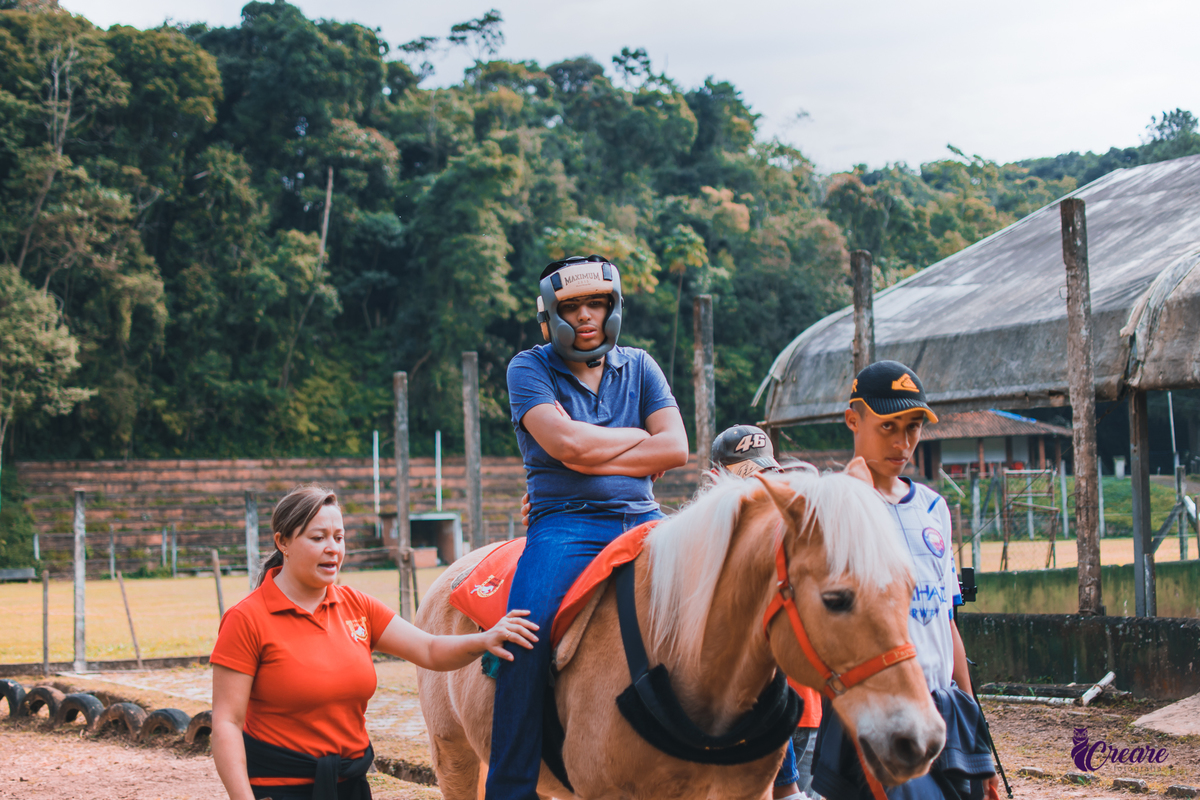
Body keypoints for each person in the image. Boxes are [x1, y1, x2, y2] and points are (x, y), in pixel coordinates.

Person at [488, 254, 689, 800]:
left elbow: (677, 447)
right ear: (549, 315)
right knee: (524, 636)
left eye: (595, 304)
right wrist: (637, 443)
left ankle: (780, 778)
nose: (584, 317)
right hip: (565, 526)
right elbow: (567, 446)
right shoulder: (527, 368)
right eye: (571, 307)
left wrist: (588, 450)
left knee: (724, 600)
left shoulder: (642, 365)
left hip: (645, 518)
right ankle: (510, 787)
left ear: (613, 308)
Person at [211, 485, 538, 800]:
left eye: (339, 538)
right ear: (282, 542)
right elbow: (227, 723)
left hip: (350, 785)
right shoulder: (246, 619)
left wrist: (486, 638)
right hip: (280, 787)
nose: (333, 548)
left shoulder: (358, 607)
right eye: (318, 538)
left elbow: (429, 649)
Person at [810, 361, 999, 800]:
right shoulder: (830, 510)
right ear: (853, 419)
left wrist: (978, 735)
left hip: (943, 707)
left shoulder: (933, 508)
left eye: (913, 427)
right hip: (879, 710)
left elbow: (945, 623)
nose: (902, 442)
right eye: (888, 426)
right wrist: (854, 496)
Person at [709, 425, 821, 800]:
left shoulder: (791, 533)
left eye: (765, 478)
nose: (760, 490)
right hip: (757, 715)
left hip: (802, 707)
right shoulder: (711, 543)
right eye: (749, 480)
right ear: (716, 478)